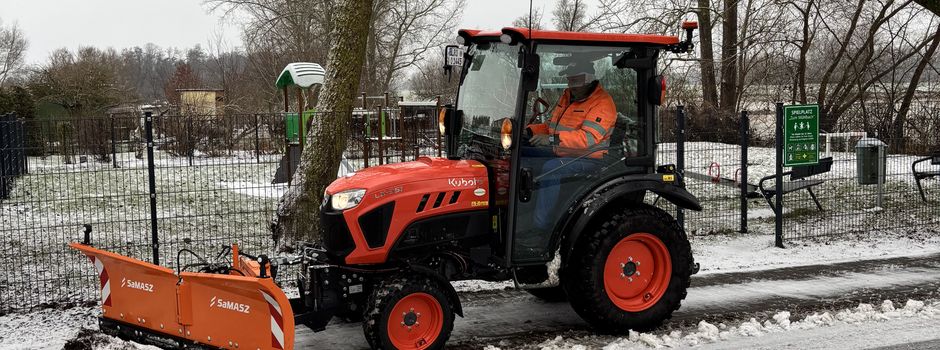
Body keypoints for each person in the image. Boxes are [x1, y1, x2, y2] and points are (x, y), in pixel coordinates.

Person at [523, 58, 618, 234]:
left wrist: (551, 140)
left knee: (551, 168)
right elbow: (551, 126)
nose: (572, 85)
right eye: (570, 79)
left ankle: (540, 229)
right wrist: (528, 131)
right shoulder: (568, 97)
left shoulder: (602, 103)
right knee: (522, 154)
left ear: (589, 79)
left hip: (590, 158)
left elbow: (587, 139)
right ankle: (520, 212)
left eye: (577, 80)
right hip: (563, 151)